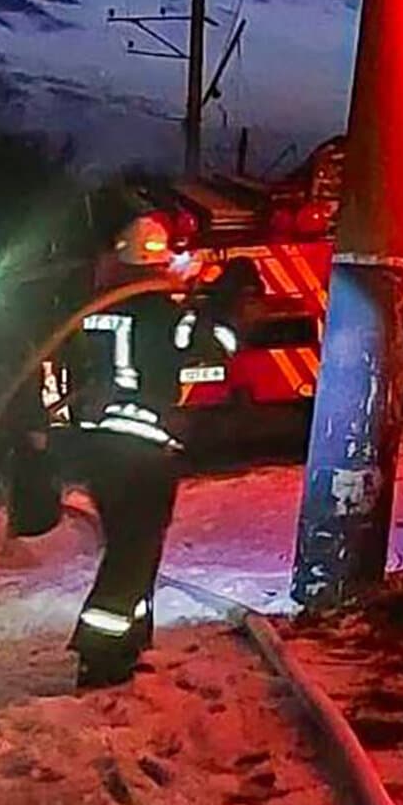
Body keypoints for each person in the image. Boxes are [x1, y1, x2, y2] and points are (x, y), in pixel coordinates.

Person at [68, 251, 261, 687]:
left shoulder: (94, 312)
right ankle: (98, 655)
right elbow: (215, 348)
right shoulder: (164, 314)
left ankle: (129, 641)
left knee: (131, 547)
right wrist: (224, 301)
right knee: (133, 553)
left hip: (99, 448)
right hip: (145, 452)